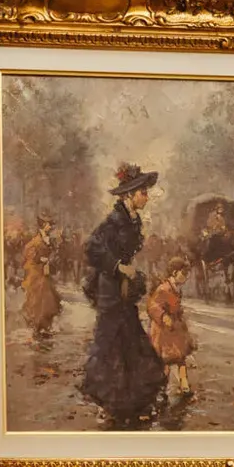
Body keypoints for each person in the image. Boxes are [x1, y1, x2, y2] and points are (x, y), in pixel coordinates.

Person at [80, 163, 167, 428]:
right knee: (110, 345)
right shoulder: (113, 221)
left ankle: (133, 403)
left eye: (146, 192)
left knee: (131, 342)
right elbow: (92, 249)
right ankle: (109, 405)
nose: (146, 197)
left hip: (124, 290)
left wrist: (129, 273)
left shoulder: (133, 219)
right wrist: (118, 267)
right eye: (143, 192)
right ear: (129, 195)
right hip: (111, 290)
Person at [147, 255, 197, 398]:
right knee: (166, 361)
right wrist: (163, 316)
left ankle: (184, 386)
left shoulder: (174, 288)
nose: (186, 277)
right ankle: (161, 390)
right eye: (184, 273)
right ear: (174, 272)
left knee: (180, 358)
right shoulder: (164, 288)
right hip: (164, 331)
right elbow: (152, 306)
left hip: (174, 329)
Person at [21, 216, 61, 342]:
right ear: (43, 225)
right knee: (38, 300)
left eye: (50, 224)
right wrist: (39, 258)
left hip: (44, 272)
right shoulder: (36, 239)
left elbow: (51, 252)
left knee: (49, 300)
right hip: (36, 273)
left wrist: (50, 255)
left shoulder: (47, 238)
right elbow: (28, 252)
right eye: (48, 224)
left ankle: (45, 326)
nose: (50, 227)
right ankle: (37, 328)